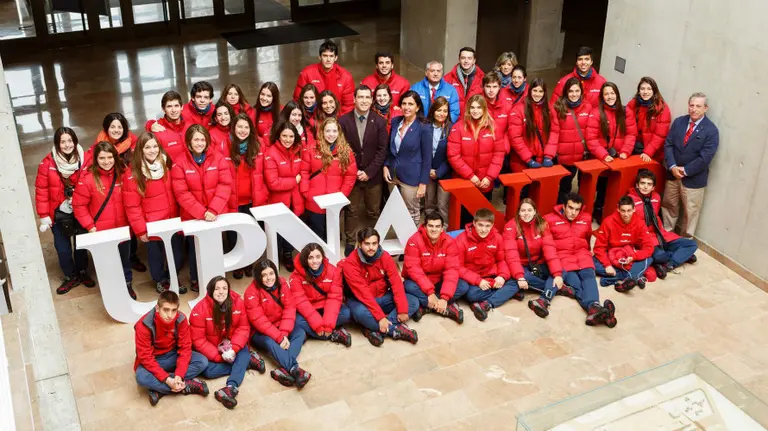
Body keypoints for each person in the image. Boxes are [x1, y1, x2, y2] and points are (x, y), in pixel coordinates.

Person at [171, 125, 233, 292]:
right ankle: (195, 278)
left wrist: (213, 210)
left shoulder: (219, 158)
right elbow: (181, 193)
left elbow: (225, 184)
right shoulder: (179, 163)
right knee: (195, 248)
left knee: (215, 247)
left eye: (202, 139)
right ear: (189, 143)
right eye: (195, 139)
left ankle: (217, 280)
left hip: (215, 214)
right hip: (193, 216)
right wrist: (201, 212)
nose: (199, 143)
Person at [123, 132, 186, 294]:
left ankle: (173, 276)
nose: (152, 150)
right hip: (152, 225)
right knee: (156, 256)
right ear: (140, 150)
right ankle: (160, 280)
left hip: (172, 220)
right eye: (147, 147)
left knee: (177, 253)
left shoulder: (167, 164)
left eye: (155, 146)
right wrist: (141, 229)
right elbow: (132, 206)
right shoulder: (133, 174)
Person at [190, 276, 265, 409]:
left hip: (231, 344)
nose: (221, 292)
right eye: (217, 288)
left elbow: (243, 328)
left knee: (243, 351)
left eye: (225, 288)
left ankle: (230, 387)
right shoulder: (199, 310)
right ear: (210, 291)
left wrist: (233, 349)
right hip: (213, 347)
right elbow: (198, 340)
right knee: (208, 372)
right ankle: (246, 361)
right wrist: (218, 357)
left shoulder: (238, 302)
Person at [35, 127, 94, 294]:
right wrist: (44, 215)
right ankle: (70, 276)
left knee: (81, 245)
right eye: (63, 142)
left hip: (81, 210)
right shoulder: (47, 163)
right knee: (63, 249)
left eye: (70, 141)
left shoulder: (86, 159)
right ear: (57, 144)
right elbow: (41, 190)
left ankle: (82, 272)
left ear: (75, 141)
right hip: (58, 212)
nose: (67, 145)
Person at [72, 142, 135, 298]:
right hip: (101, 231)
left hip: (122, 228)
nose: (106, 161)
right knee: (106, 264)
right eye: (102, 158)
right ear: (95, 159)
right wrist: (90, 226)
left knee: (124, 260)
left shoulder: (124, 174)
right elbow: (79, 206)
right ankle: (111, 292)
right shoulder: (87, 180)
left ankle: (127, 285)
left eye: (109, 157)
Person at [544, 193, 617, 328]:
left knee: (589, 277)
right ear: (564, 206)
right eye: (570, 208)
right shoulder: (548, 220)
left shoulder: (586, 218)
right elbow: (546, 246)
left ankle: (594, 308)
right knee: (576, 284)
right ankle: (595, 308)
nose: (573, 213)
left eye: (577, 209)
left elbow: (587, 239)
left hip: (582, 256)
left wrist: (587, 253)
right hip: (563, 259)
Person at [341, 228, 419, 346]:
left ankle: (373, 329)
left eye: (374, 243)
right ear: (359, 244)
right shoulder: (350, 264)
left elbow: (396, 283)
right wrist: (381, 317)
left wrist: (402, 309)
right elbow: (364, 294)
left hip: (382, 296)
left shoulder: (385, 257)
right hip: (360, 301)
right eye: (367, 244)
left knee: (413, 301)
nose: (371, 247)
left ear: (378, 243)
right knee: (359, 313)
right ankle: (395, 330)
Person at [134, 291, 209, 406]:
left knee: (202, 361)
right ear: (157, 308)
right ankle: (187, 385)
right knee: (141, 377)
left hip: (173, 355)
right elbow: (145, 357)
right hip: (155, 359)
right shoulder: (143, 325)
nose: (170, 315)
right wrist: (167, 379)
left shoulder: (181, 319)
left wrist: (179, 374)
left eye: (174, 310)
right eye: (166, 309)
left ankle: (160, 390)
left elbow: (185, 348)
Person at [339, 85, 389, 255]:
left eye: (368, 97)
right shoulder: (343, 121)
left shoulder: (380, 122)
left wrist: (369, 172)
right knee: (351, 210)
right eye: (360, 97)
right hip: (351, 176)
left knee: (373, 210)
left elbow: (382, 150)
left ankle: (371, 241)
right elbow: (342, 149)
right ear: (354, 99)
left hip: (372, 176)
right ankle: (351, 242)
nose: (364, 101)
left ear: (372, 100)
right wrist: (353, 172)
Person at [245, 260, 311, 389]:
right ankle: (294, 369)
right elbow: (260, 321)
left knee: (300, 333)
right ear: (258, 276)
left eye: (271, 273)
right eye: (264, 275)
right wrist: (280, 337)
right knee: (271, 342)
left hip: (280, 325)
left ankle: (282, 370)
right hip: (259, 332)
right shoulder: (251, 293)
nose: (269, 278)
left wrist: (284, 332)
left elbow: (290, 307)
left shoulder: (282, 282)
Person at [662, 92, 719, 238]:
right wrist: (673, 166)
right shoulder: (679, 122)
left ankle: (686, 243)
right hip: (672, 174)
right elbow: (668, 144)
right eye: (691, 105)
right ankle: (667, 236)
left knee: (690, 213)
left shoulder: (711, 131)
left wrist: (685, 170)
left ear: (706, 108)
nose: (694, 109)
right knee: (669, 206)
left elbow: (705, 158)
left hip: (693, 180)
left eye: (698, 106)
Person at [629, 169, 698, 278]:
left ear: (653, 187)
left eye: (649, 184)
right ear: (637, 185)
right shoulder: (630, 201)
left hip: (661, 235)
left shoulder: (656, 197)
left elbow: (656, 217)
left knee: (692, 244)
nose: (645, 187)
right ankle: (678, 257)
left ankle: (669, 264)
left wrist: (662, 233)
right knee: (659, 256)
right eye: (642, 183)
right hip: (645, 238)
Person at [502, 198, 564, 318]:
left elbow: (550, 249)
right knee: (522, 277)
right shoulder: (511, 226)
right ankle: (554, 288)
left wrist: (557, 274)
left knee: (561, 271)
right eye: (523, 210)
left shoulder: (542, 224)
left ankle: (543, 300)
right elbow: (511, 255)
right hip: (520, 265)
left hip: (537, 263)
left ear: (535, 211)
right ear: (518, 212)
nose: (526, 213)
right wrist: (519, 276)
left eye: (530, 210)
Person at [455, 209, 520, 321]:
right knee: (471, 295)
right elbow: (458, 267)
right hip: (474, 280)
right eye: (480, 225)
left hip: (492, 275)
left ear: (492, 225)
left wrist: (502, 276)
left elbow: (501, 261)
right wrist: (478, 281)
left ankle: (486, 303)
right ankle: (503, 294)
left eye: (487, 226)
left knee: (516, 283)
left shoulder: (497, 238)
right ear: (474, 223)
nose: (483, 229)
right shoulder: (461, 240)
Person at [586, 82, 637, 222]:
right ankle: (597, 209)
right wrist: (603, 154)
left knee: (615, 188)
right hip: (601, 158)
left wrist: (625, 152)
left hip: (620, 159)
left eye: (612, 93)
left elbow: (631, 134)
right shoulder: (596, 113)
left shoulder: (627, 112)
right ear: (602, 96)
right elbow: (591, 138)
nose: (610, 96)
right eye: (606, 94)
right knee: (600, 188)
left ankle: (610, 212)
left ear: (617, 94)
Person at [447, 95, 505, 218]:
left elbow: (499, 155)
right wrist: (470, 176)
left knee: (482, 218)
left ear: (484, 109)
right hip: (464, 181)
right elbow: (453, 155)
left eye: (479, 107)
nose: (475, 110)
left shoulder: (494, 128)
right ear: (468, 109)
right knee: (464, 217)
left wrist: (489, 177)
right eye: (472, 107)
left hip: (485, 183)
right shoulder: (458, 128)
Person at [300, 117, 357, 241]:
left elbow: (350, 175)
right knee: (317, 234)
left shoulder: (346, 151)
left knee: (332, 235)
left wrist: (342, 195)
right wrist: (306, 192)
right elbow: (304, 171)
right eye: (328, 131)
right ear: (322, 132)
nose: (331, 134)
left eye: (334, 131)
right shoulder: (311, 148)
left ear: (339, 133)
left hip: (334, 201)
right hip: (314, 200)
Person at [402, 211, 465, 323]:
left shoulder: (449, 242)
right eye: (430, 226)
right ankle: (443, 308)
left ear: (442, 229)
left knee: (463, 286)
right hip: (419, 283)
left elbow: (451, 270)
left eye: (437, 226)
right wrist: (430, 293)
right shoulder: (414, 241)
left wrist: (445, 297)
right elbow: (414, 270)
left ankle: (428, 306)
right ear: (425, 227)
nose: (434, 229)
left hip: (439, 280)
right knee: (407, 286)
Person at [384, 90, 432, 225]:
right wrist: (385, 166)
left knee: (412, 211)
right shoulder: (395, 121)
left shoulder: (424, 127)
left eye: (410, 104)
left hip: (412, 178)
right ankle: (401, 236)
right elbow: (389, 147)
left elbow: (428, 158)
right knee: (396, 208)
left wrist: (423, 183)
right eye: (404, 103)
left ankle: (412, 241)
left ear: (417, 107)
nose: (406, 107)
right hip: (393, 175)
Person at [289, 243, 352, 346]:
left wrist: (328, 324)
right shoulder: (295, 276)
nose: (315, 261)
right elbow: (301, 301)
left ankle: (315, 333)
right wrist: (317, 324)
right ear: (305, 259)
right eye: (311, 258)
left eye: (318, 257)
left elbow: (334, 297)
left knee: (346, 313)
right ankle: (334, 334)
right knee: (297, 321)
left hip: (326, 305)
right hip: (308, 308)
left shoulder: (333, 271)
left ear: (323, 257)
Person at [226, 113, 263, 279]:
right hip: (233, 200)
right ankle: (237, 265)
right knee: (234, 235)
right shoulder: (224, 145)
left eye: (246, 127)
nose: (242, 130)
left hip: (251, 199)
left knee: (250, 234)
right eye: (239, 126)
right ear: (233, 128)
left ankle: (249, 263)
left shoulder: (258, 145)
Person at [593, 195, 655, 292]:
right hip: (611, 255)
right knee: (591, 264)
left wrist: (634, 256)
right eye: (623, 210)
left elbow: (649, 247)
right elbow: (598, 248)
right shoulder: (608, 222)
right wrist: (607, 265)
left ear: (634, 209)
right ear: (618, 209)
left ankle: (613, 279)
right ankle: (632, 276)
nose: (626, 214)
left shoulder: (640, 223)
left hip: (629, 255)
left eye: (629, 210)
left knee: (649, 258)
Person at [264, 121, 304, 271]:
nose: (288, 139)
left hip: (296, 199)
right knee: (279, 232)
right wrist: (295, 180)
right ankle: (276, 257)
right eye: (284, 136)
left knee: (292, 229)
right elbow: (273, 183)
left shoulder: (299, 150)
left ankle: (288, 254)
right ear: (278, 136)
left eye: (291, 136)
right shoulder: (271, 153)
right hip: (279, 201)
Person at [549, 77, 592, 203]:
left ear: (581, 92)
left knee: (583, 186)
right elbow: (554, 132)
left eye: (577, 91)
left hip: (582, 155)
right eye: (571, 91)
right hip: (564, 157)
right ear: (566, 92)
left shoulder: (588, 107)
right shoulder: (557, 107)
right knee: (564, 187)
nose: (574, 94)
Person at [293, 39, 354, 114]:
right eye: (325, 56)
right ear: (319, 57)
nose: (328, 59)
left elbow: (348, 105)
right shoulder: (307, 73)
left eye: (331, 56)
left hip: (336, 118)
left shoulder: (345, 77)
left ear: (336, 58)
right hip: (313, 117)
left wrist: (338, 122)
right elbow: (298, 100)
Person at [508, 78, 554, 174]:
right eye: (535, 90)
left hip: (541, 160)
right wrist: (528, 159)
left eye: (541, 91)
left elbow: (554, 133)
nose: (537, 94)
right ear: (530, 91)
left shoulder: (548, 110)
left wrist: (548, 156)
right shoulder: (518, 109)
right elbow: (515, 138)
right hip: (521, 162)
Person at [625, 77, 671, 162]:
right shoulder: (633, 104)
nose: (645, 92)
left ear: (654, 90)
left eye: (649, 89)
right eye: (642, 89)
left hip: (652, 151)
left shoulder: (662, 108)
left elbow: (660, 135)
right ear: (639, 91)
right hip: (634, 145)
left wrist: (648, 152)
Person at [424, 96, 452, 223]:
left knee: (442, 206)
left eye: (445, 111)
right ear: (433, 111)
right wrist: (428, 169)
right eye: (439, 110)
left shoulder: (452, 129)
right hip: (427, 171)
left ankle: (444, 230)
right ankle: (429, 228)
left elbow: (452, 155)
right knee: (429, 204)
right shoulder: (425, 127)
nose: (442, 114)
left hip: (445, 173)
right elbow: (421, 150)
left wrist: (438, 172)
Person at [146, 90, 190, 162]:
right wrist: (149, 125)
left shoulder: (190, 126)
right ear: (163, 109)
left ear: (181, 107)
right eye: (169, 106)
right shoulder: (158, 130)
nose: (173, 110)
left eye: (176, 106)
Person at [444, 47, 485, 117]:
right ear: (459, 59)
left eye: (469, 58)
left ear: (474, 60)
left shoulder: (482, 78)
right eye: (463, 58)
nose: (466, 61)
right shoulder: (448, 78)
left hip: (474, 121)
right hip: (453, 121)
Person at [482, 73, 512, 153]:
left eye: (494, 87)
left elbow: (510, 130)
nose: (491, 90)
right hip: (483, 151)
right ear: (483, 87)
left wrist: (505, 146)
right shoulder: (477, 105)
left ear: (499, 88)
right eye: (488, 86)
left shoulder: (507, 105)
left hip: (502, 150)